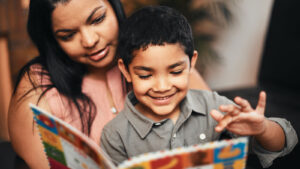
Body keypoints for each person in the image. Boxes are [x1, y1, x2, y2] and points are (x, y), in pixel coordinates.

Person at [7, 0, 209, 168]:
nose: (89, 40)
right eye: (68, 35)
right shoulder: (37, 88)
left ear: (115, 7)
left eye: (97, 19)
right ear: (53, 40)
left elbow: (212, 128)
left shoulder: (154, 50)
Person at [100, 6, 298, 167]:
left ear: (191, 62)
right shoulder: (115, 135)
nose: (162, 87)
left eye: (176, 71)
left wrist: (262, 129)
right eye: (145, 75)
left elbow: (284, 144)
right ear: (125, 71)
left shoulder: (212, 106)